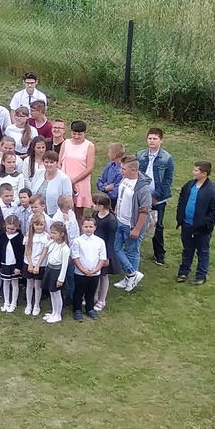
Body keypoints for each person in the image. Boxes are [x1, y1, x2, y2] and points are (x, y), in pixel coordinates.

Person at [175, 160, 215, 286]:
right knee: (187, 249)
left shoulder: (211, 190)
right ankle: (183, 272)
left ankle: (201, 276)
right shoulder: (189, 185)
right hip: (186, 225)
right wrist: (180, 215)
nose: (193, 172)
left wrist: (203, 223)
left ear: (204, 174)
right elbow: (182, 198)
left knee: (202, 252)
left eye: (196, 170)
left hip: (202, 229)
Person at [112, 156, 152, 293]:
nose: (121, 171)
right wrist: (117, 208)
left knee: (132, 251)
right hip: (120, 220)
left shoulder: (143, 188)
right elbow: (121, 195)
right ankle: (132, 274)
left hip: (132, 225)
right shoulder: (125, 179)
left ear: (133, 170)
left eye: (123, 169)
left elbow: (145, 210)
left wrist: (137, 229)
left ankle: (130, 277)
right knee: (116, 248)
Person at [137, 127, 174, 267]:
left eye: (155, 139)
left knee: (157, 225)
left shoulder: (167, 158)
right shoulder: (140, 155)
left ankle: (159, 254)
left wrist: (156, 196)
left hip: (158, 198)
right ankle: (136, 251)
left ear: (161, 140)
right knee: (138, 222)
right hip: (142, 195)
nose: (152, 141)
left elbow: (168, 179)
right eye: (150, 138)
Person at [70, 217, 106, 321]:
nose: (88, 229)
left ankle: (89, 309)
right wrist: (82, 269)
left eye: (91, 227)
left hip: (94, 272)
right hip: (80, 273)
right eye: (86, 226)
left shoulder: (100, 241)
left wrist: (96, 269)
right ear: (82, 227)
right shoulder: (77, 241)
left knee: (91, 292)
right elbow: (75, 257)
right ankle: (77, 310)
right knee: (78, 292)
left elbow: (102, 257)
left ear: (95, 228)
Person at [41, 222, 70, 324]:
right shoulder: (52, 243)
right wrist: (50, 239)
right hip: (50, 269)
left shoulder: (65, 249)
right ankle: (53, 312)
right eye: (51, 232)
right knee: (52, 293)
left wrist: (60, 279)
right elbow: (46, 246)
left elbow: (64, 266)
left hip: (57, 272)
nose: (51, 235)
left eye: (54, 233)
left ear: (62, 234)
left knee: (57, 294)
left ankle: (58, 314)